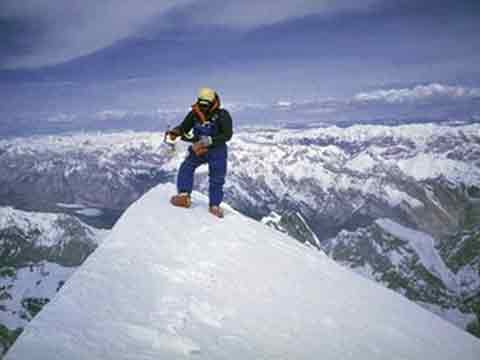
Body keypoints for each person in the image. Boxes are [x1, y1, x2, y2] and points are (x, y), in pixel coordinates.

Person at [166, 87, 233, 218]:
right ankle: (184, 196)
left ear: (213, 102)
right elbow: (184, 127)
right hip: (199, 148)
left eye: (206, 105)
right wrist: (176, 132)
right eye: (201, 104)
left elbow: (227, 135)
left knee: (217, 178)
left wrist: (210, 140)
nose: (203, 108)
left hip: (217, 150)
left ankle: (214, 206)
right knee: (187, 166)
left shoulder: (222, 115)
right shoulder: (194, 114)